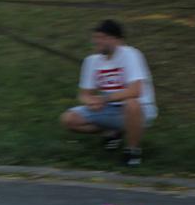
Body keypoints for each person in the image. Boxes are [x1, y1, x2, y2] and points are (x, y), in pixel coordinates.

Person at [60, 19, 157, 166]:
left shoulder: (131, 55)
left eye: (102, 37)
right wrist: (90, 102)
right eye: (96, 37)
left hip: (140, 109)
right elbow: (83, 94)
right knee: (69, 119)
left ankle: (132, 152)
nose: (97, 41)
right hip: (110, 108)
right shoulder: (91, 61)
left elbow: (136, 90)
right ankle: (114, 131)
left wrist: (104, 99)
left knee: (131, 103)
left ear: (116, 40)